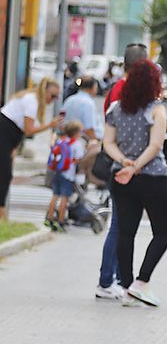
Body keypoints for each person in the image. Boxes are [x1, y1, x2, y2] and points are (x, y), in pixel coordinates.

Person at [102, 59, 167, 307]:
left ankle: (125, 286)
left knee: (126, 231)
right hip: (152, 177)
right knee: (163, 230)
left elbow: (108, 143)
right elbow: (156, 146)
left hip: (120, 177)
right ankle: (140, 283)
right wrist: (137, 166)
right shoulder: (157, 110)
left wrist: (125, 163)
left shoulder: (116, 109)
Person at [0, 77, 64, 224]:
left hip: (8, 137)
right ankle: (2, 216)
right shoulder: (32, 101)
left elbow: (20, 129)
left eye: (56, 97)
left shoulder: (30, 99)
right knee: (4, 176)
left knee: (5, 175)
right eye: (52, 96)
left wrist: (14, 147)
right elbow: (28, 130)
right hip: (4, 134)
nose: (52, 100)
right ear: (45, 91)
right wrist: (50, 125)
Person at [43, 120, 84, 232]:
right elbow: (79, 159)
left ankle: (49, 218)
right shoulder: (77, 144)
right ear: (76, 133)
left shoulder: (62, 141)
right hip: (68, 174)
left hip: (57, 172)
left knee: (55, 195)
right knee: (64, 198)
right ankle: (61, 221)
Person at [62, 76, 104, 184]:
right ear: (92, 87)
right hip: (83, 142)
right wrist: (97, 141)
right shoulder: (88, 103)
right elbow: (89, 129)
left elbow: (61, 121)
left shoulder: (69, 100)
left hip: (68, 139)